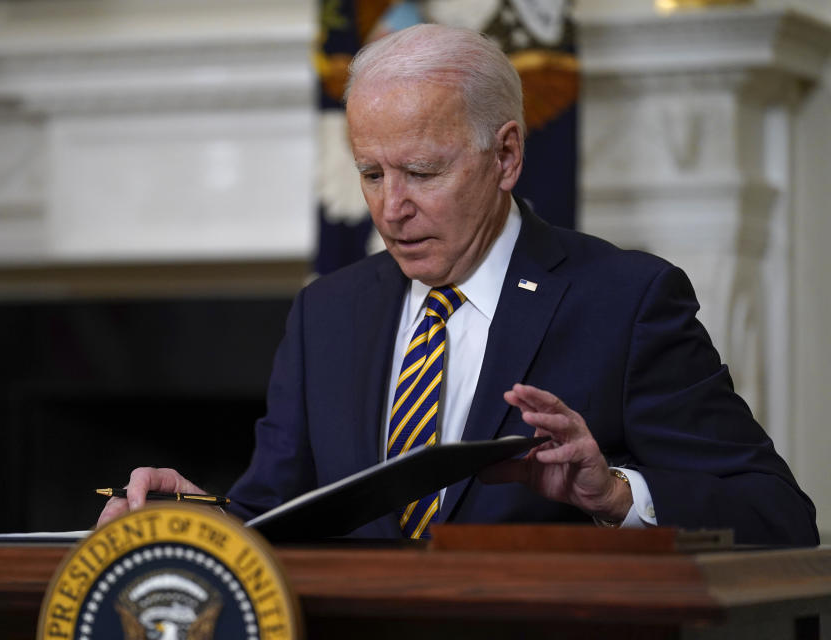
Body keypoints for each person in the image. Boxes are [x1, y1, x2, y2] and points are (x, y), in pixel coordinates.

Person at [99, 24, 818, 545]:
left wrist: (617, 494)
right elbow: (275, 516)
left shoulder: (626, 303)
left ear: (505, 155)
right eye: (372, 174)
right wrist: (189, 517)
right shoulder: (328, 314)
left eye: (421, 172)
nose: (390, 207)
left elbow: (777, 516)